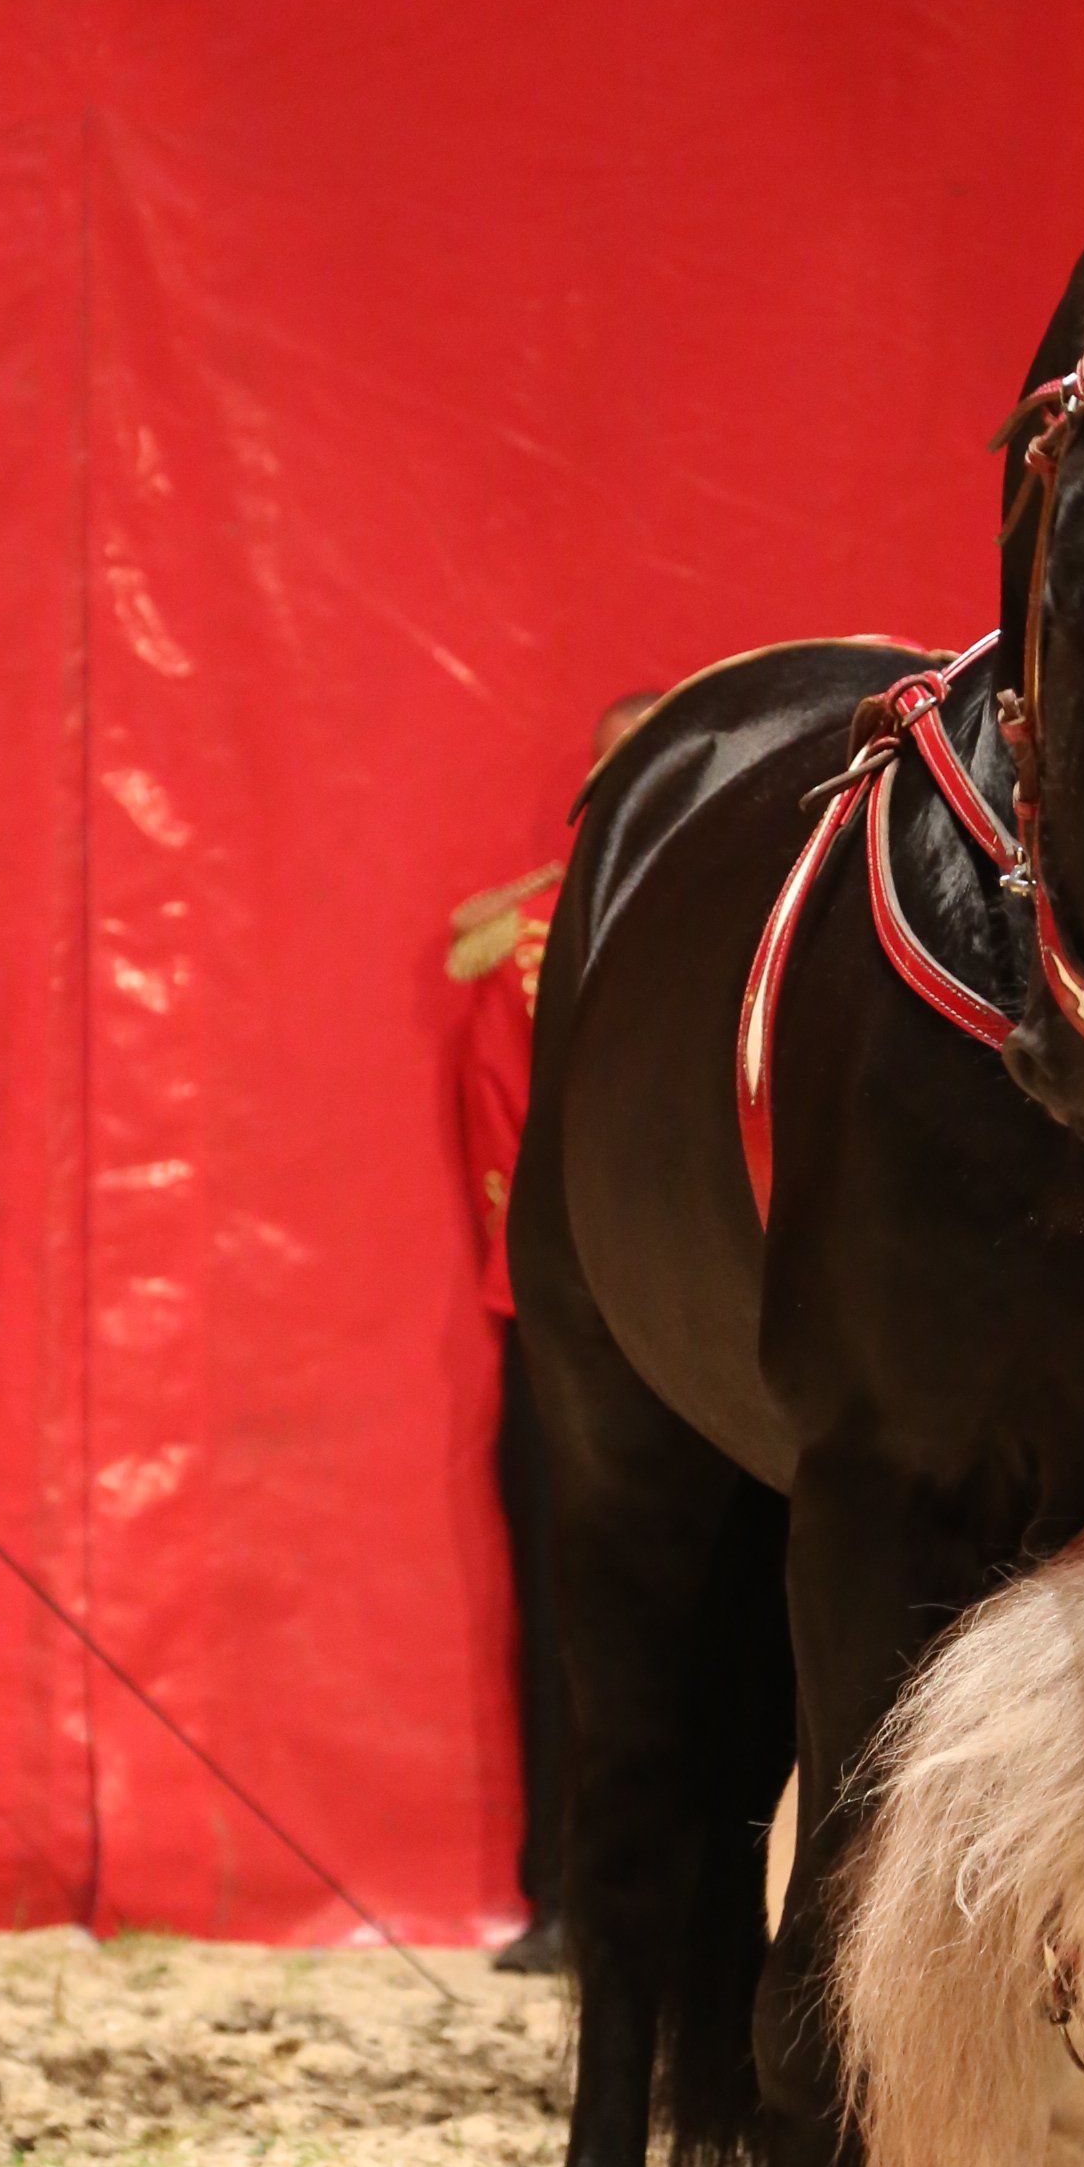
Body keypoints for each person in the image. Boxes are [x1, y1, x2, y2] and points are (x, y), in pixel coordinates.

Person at [451, 693, 658, 1974]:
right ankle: (569, 1894)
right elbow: (507, 1151)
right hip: (577, 1335)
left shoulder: (767, 928)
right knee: (571, 1618)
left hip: (729, 1337)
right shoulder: (525, 953)